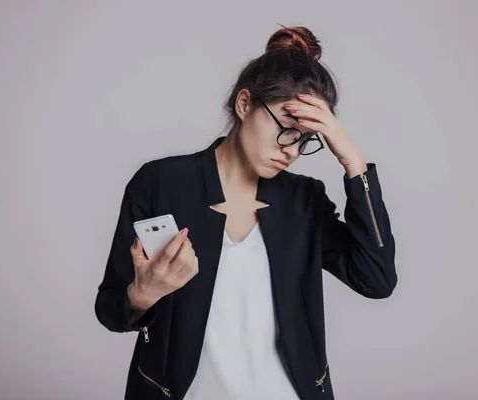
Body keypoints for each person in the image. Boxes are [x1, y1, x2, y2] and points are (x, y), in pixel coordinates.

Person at [95, 25, 397, 400]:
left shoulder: (303, 199)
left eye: (306, 140)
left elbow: (377, 280)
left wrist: (353, 162)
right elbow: (110, 310)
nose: (292, 150)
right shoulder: (161, 183)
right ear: (244, 104)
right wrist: (143, 294)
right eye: (286, 129)